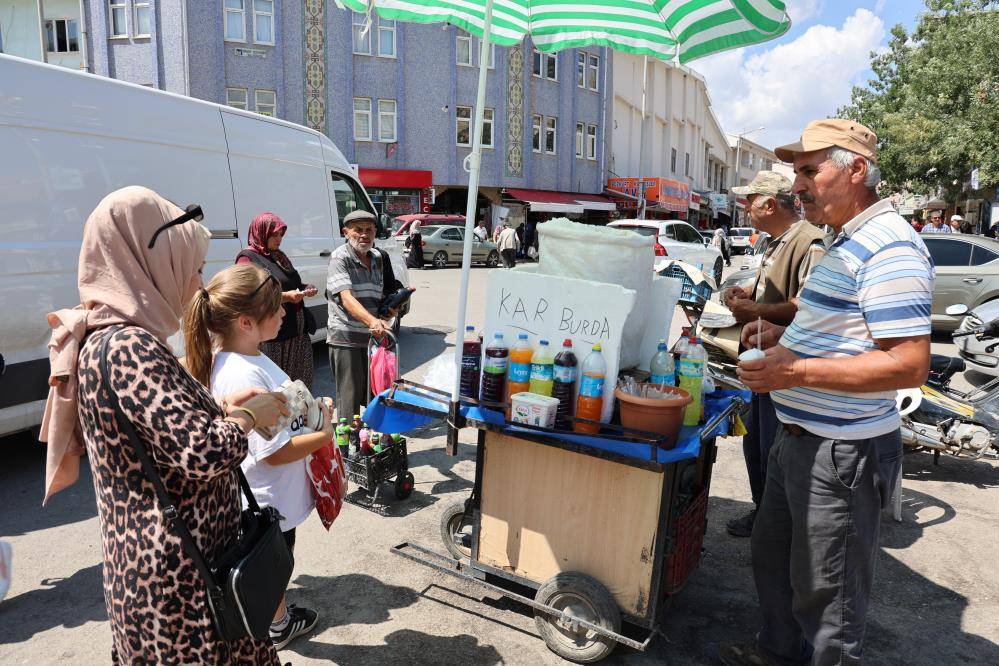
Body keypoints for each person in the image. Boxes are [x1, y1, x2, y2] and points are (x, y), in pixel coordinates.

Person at [40, 186, 288, 663]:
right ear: (148, 260)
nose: (197, 285)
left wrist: (218, 406)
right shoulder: (130, 345)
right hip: (180, 583)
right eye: (191, 268)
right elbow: (202, 454)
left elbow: (160, 431)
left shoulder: (110, 337)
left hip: (171, 569)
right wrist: (249, 416)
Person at [722, 119, 933, 666]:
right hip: (798, 439)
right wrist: (778, 335)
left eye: (809, 171)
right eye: (796, 173)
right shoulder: (846, 240)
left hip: (840, 450)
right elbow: (837, 330)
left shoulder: (890, 247)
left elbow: (908, 364)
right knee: (774, 560)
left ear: (856, 169)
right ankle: (778, 653)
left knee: (828, 596)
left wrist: (795, 372)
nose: (797, 186)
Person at [187, 263, 334, 650]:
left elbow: (282, 417)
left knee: (274, 564)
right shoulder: (242, 375)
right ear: (245, 322)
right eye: (275, 307)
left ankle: (276, 620)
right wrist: (324, 435)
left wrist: (312, 412)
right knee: (272, 565)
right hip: (268, 501)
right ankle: (276, 627)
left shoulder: (249, 356)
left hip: (271, 498)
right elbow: (275, 453)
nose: (285, 310)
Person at [722, 171, 826, 538]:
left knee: (772, 448)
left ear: (769, 203)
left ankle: (775, 525)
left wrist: (755, 312)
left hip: (784, 364)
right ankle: (763, 514)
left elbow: (809, 307)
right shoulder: (776, 241)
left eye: (750, 200)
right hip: (763, 359)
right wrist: (743, 293)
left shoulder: (809, 241)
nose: (745, 207)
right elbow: (770, 287)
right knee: (756, 443)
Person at [236, 212, 319, 388]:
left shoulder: (278, 256)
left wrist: (305, 288)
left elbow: (291, 282)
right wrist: (286, 297)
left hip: (297, 335)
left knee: (300, 390)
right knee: (277, 389)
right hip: (274, 339)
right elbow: (249, 294)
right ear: (261, 232)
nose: (279, 239)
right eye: (274, 234)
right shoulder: (247, 258)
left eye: (281, 234)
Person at [327, 210, 392, 420]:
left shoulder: (377, 258)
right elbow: (346, 299)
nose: (364, 235)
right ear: (346, 232)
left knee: (376, 392)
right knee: (350, 400)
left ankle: (370, 444)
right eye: (358, 230)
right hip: (346, 339)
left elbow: (377, 297)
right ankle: (348, 449)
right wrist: (373, 321)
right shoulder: (340, 257)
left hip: (372, 339)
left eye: (369, 230)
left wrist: (389, 310)